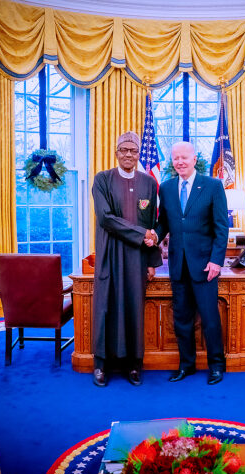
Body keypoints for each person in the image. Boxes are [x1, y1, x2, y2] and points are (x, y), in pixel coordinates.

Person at [148, 141, 228, 385]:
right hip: (178, 265)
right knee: (181, 318)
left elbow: (221, 228)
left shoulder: (213, 186)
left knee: (209, 318)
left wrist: (216, 261)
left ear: (194, 159)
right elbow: (165, 223)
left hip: (205, 266)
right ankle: (187, 365)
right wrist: (154, 235)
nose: (180, 161)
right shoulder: (167, 188)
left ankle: (216, 366)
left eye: (184, 157)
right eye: (176, 158)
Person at [91, 131, 161, 387]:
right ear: (116, 152)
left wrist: (152, 261)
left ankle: (134, 364)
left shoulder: (148, 183)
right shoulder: (102, 180)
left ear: (138, 153)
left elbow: (151, 222)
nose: (128, 154)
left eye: (133, 150)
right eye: (124, 150)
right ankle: (100, 364)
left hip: (137, 258)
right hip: (110, 253)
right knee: (105, 307)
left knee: (134, 308)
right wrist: (142, 233)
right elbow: (106, 218)